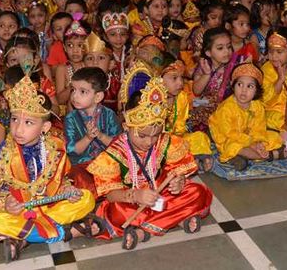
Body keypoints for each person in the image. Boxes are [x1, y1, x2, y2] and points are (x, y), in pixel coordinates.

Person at [0, 71, 100, 262]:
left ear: (44, 128)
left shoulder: (56, 147)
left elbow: (61, 181)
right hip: (19, 211)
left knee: (86, 198)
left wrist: (68, 190)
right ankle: (67, 233)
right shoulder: (2, 153)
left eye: (28, 122)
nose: (18, 129)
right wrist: (5, 203)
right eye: (14, 120)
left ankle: (24, 239)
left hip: (50, 204)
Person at [87, 77, 213, 250]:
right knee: (117, 212)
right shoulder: (114, 153)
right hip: (129, 201)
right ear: (126, 126)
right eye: (143, 135)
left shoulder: (165, 142)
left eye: (155, 135)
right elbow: (110, 195)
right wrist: (135, 195)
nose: (149, 142)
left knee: (197, 192)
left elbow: (177, 172)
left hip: (161, 193)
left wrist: (179, 182)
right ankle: (174, 219)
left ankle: (142, 231)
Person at [209, 63, 285, 171]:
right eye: (240, 84)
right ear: (232, 85)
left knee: (274, 137)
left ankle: (242, 157)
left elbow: (259, 128)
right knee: (233, 146)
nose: (244, 90)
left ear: (256, 90)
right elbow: (229, 133)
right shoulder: (226, 108)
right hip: (228, 137)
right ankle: (269, 156)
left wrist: (258, 142)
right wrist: (251, 144)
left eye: (250, 86)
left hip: (250, 138)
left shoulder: (257, 106)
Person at [65, 67, 121, 196]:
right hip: (82, 165)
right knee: (80, 180)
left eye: (82, 91)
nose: (75, 96)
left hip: (107, 164)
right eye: (73, 90)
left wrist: (100, 136)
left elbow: (118, 146)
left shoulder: (109, 115)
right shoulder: (71, 118)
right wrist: (88, 138)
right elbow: (72, 150)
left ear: (98, 96)